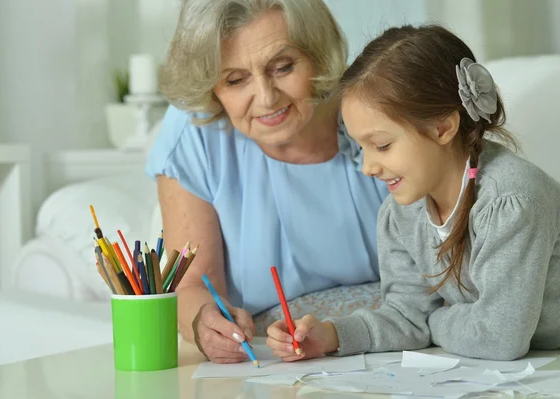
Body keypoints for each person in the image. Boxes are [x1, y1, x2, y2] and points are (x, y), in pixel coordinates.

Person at [266, 24, 560, 361]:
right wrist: (330, 336)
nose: (367, 167)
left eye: (381, 145)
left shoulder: (511, 202)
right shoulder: (399, 215)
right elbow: (408, 316)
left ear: (443, 128)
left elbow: (498, 338)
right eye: (360, 146)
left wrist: (435, 320)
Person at [145, 0, 387, 364]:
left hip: (389, 345)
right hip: (269, 363)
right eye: (235, 79)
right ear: (212, 88)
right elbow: (192, 285)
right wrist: (204, 323)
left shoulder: (374, 107)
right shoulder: (194, 134)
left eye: (283, 67)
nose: (267, 97)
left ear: (317, 54)